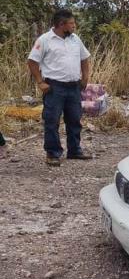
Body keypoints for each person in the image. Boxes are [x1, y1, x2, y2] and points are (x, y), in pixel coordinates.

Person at [27, 9, 93, 166]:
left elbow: (84, 58)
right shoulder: (44, 40)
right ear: (61, 24)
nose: (74, 26)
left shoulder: (75, 39)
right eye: (71, 23)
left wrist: (85, 77)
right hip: (54, 88)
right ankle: (53, 153)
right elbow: (32, 61)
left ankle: (74, 151)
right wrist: (40, 81)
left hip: (74, 87)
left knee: (75, 120)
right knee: (51, 120)